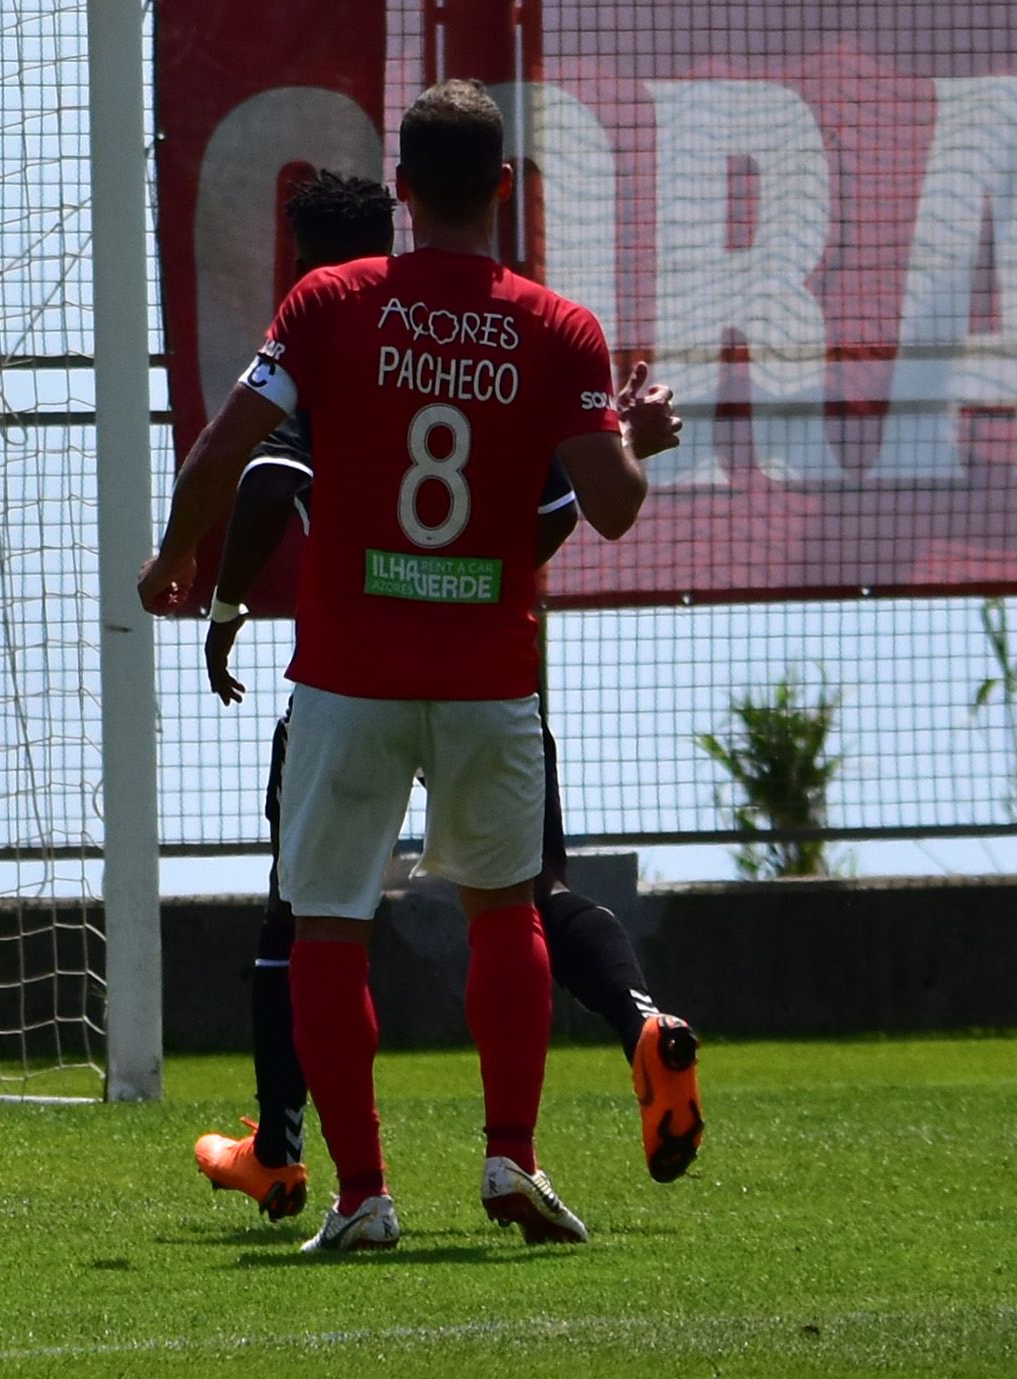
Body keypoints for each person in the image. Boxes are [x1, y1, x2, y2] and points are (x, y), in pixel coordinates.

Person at [140, 78, 654, 1255]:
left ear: (405, 189)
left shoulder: (330, 301)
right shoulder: (560, 328)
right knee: (505, 910)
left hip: (349, 673)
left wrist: (176, 556)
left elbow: (230, 446)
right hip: (489, 673)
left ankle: (363, 1191)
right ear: (506, 188)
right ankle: (511, 1154)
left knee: (327, 924)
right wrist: (623, 431)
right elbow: (615, 505)